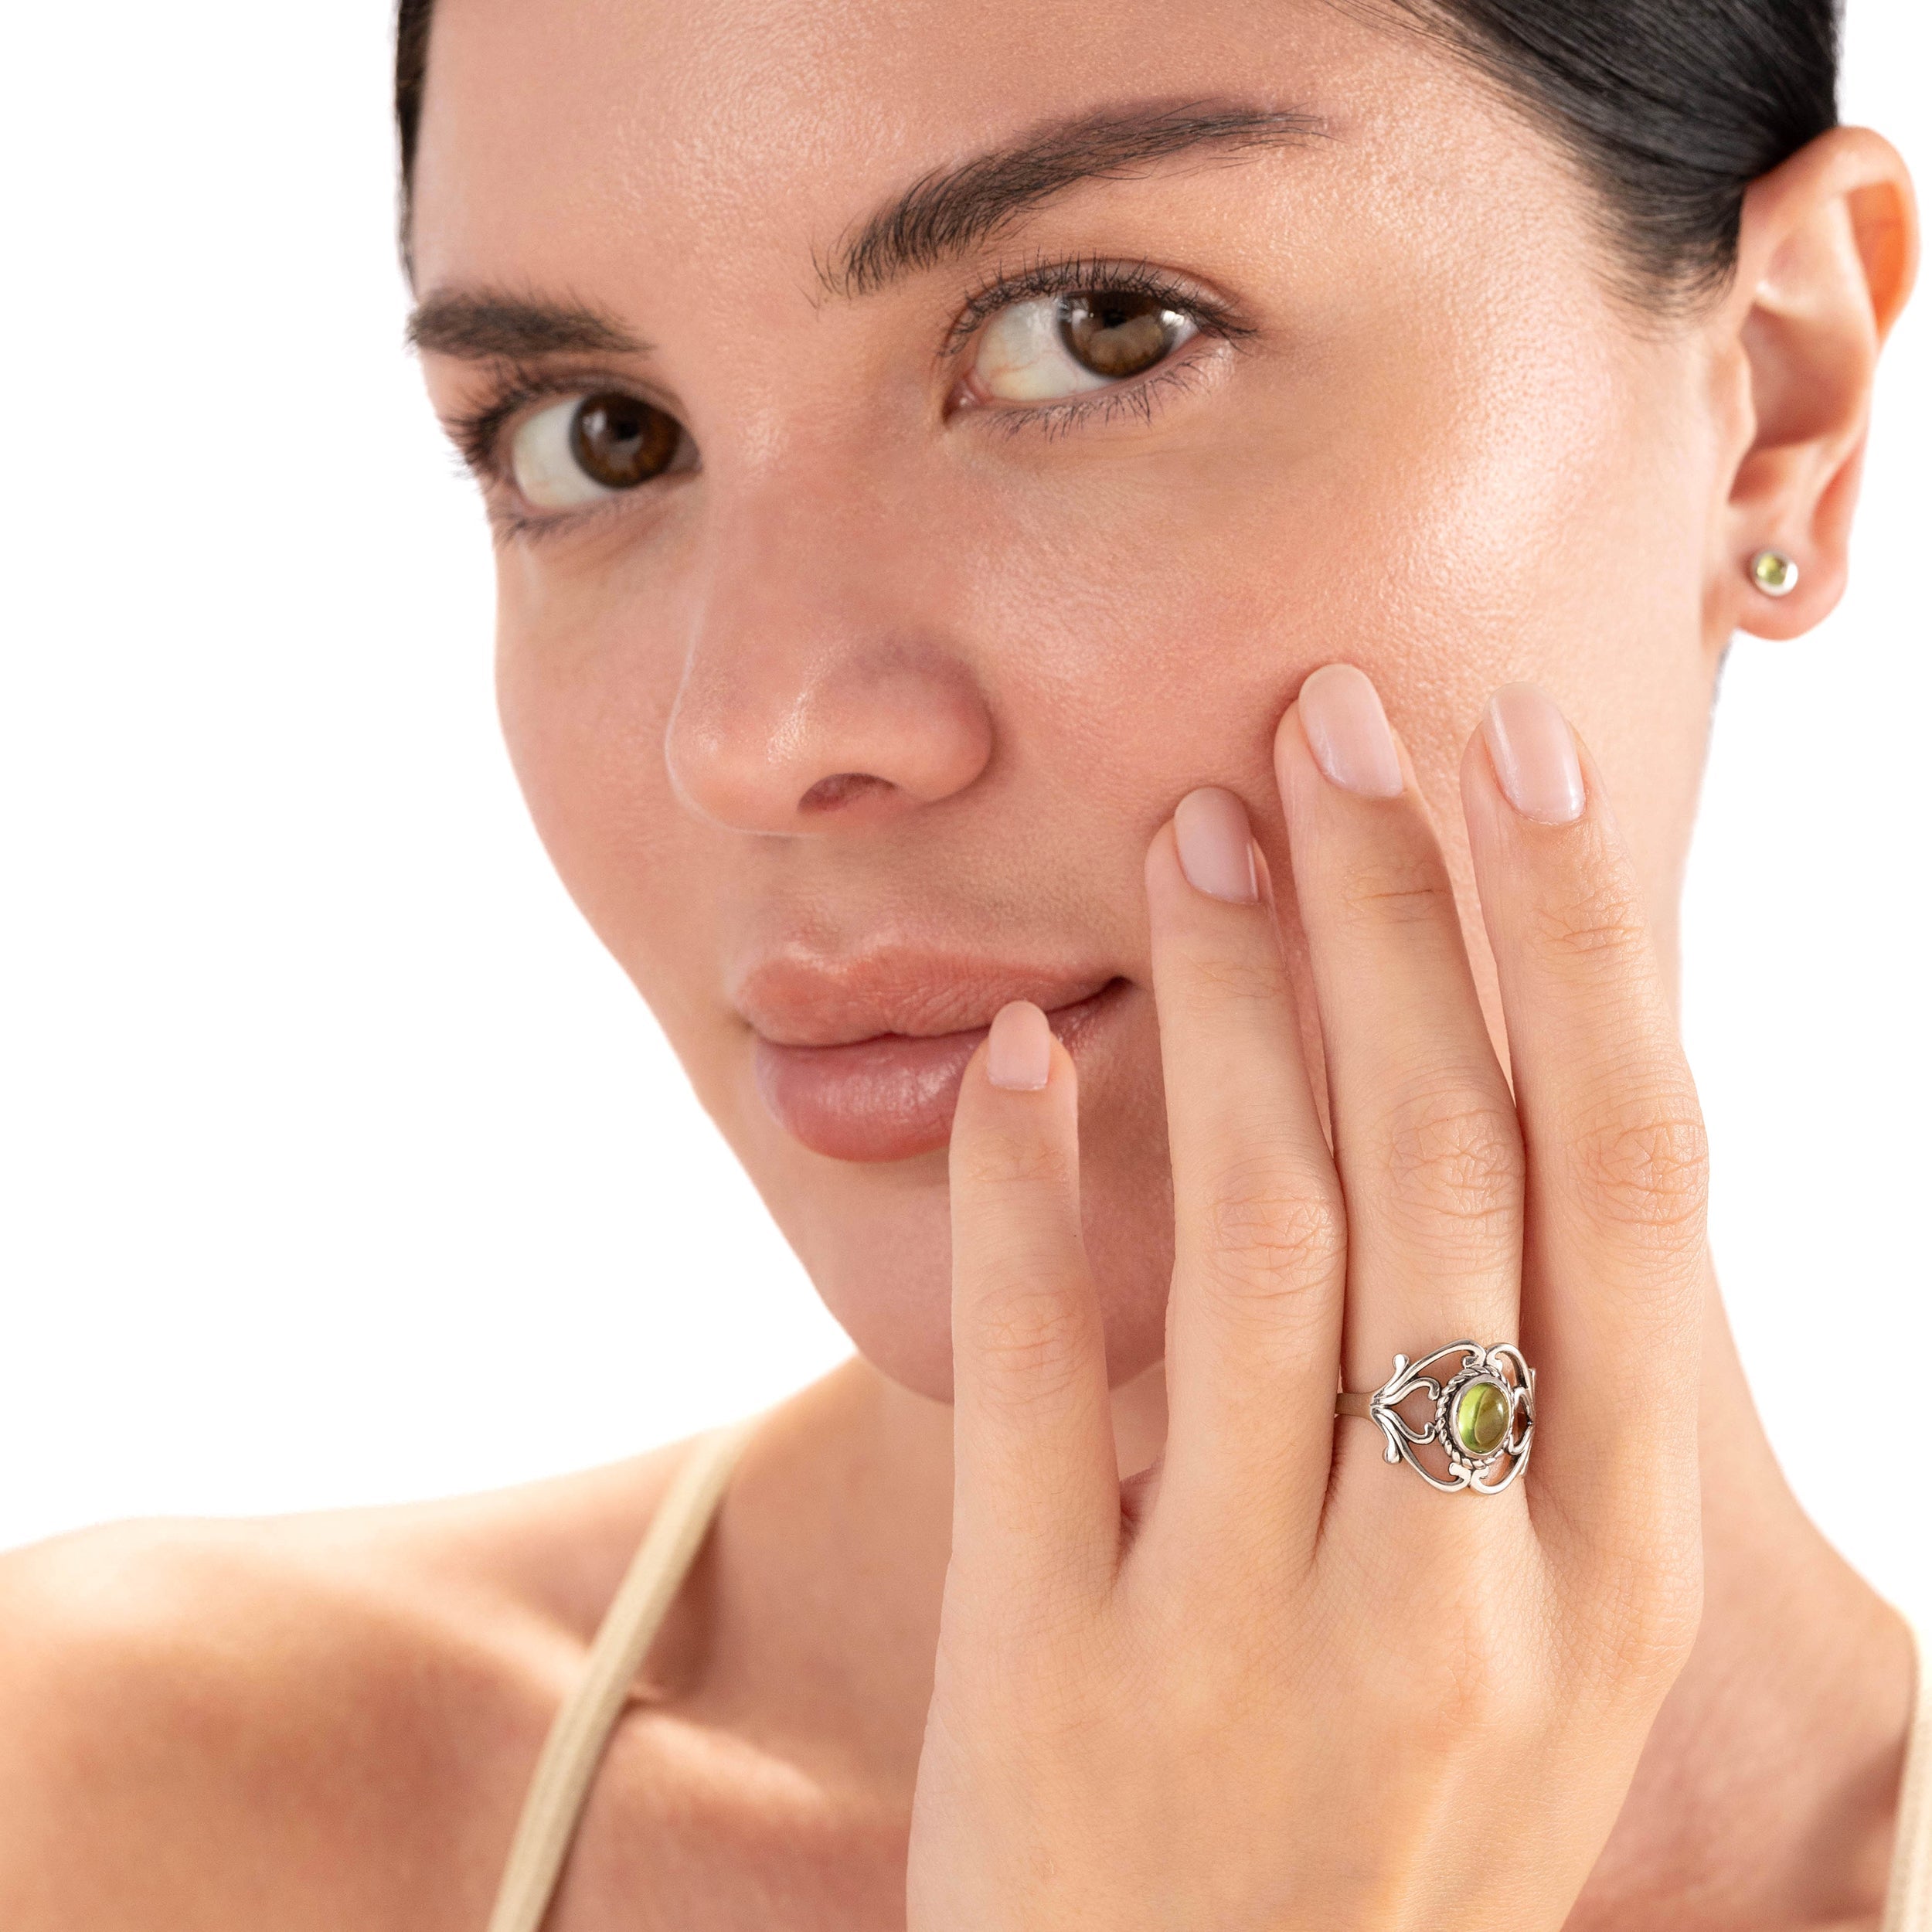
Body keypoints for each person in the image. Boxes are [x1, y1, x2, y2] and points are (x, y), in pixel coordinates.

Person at [2, 0, 1924, 1924]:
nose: (749, 731)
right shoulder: (102, 1816)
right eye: (601, 438)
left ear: (1776, 403)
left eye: (1096, 331)